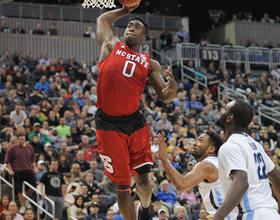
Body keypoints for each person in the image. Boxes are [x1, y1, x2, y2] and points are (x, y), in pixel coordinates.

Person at [95, 4, 177, 220]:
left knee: (143, 182)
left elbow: (165, 96)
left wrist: (173, 90)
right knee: (122, 186)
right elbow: (102, 20)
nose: (131, 27)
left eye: (137, 26)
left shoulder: (150, 63)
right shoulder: (111, 45)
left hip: (135, 124)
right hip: (108, 126)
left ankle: (146, 208)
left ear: (144, 37)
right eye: (129, 25)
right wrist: (124, 10)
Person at [213, 100, 280, 220]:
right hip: (271, 213)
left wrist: (218, 216)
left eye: (225, 108)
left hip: (250, 213)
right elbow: (277, 179)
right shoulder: (256, 145)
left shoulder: (230, 146)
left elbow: (241, 183)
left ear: (230, 117)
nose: (221, 110)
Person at [5, 134, 36, 214]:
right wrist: (10, 170)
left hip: (29, 170)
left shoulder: (30, 147)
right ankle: (22, 206)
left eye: (23, 139)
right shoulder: (12, 148)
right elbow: (8, 161)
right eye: (21, 139)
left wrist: (34, 168)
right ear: (17, 140)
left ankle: (26, 200)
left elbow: (33, 159)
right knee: (20, 190)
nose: (22, 141)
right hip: (18, 171)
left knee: (32, 187)